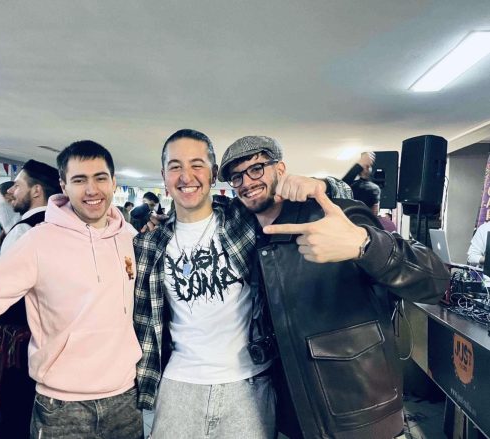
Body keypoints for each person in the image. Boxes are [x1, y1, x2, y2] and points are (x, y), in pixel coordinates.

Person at [0, 141, 143, 439]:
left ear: (113, 182)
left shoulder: (129, 238)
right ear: (63, 186)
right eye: (80, 180)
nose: (91, 189)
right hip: (62, 407)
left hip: (125, 402)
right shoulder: (37, 241)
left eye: (100, 178)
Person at [219, 135, 449, 439]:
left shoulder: (335, 216)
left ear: (280, 169)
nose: (247, 181)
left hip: (360, 414)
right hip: (290, 416)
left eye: (256, 168)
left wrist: (363, 244)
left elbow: (434, 282)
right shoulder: (246, 234)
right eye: (237, 176)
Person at [133, 129, 351, 438]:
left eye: (196, 164)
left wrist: (322, 185)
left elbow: (343, 196)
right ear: (164, 176)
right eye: (175, 166)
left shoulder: (244, 219)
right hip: (179, 383)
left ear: (212, 174)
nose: (186, 176)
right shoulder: (148, 244)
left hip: (250, 384)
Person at [0, 156, 61, 438]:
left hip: (19, 337)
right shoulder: (54, 223)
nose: (11, 191)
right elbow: (10, 217)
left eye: (17, 186)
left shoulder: (24, 231)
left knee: (13, 410)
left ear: (36, 191)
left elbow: (2, 286)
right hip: (45, 333)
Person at [342, 151, 381, 215]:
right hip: (365, 218)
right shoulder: (375, 188)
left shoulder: (350, 185)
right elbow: (375, 210)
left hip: (351, 216)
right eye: (367, 166)